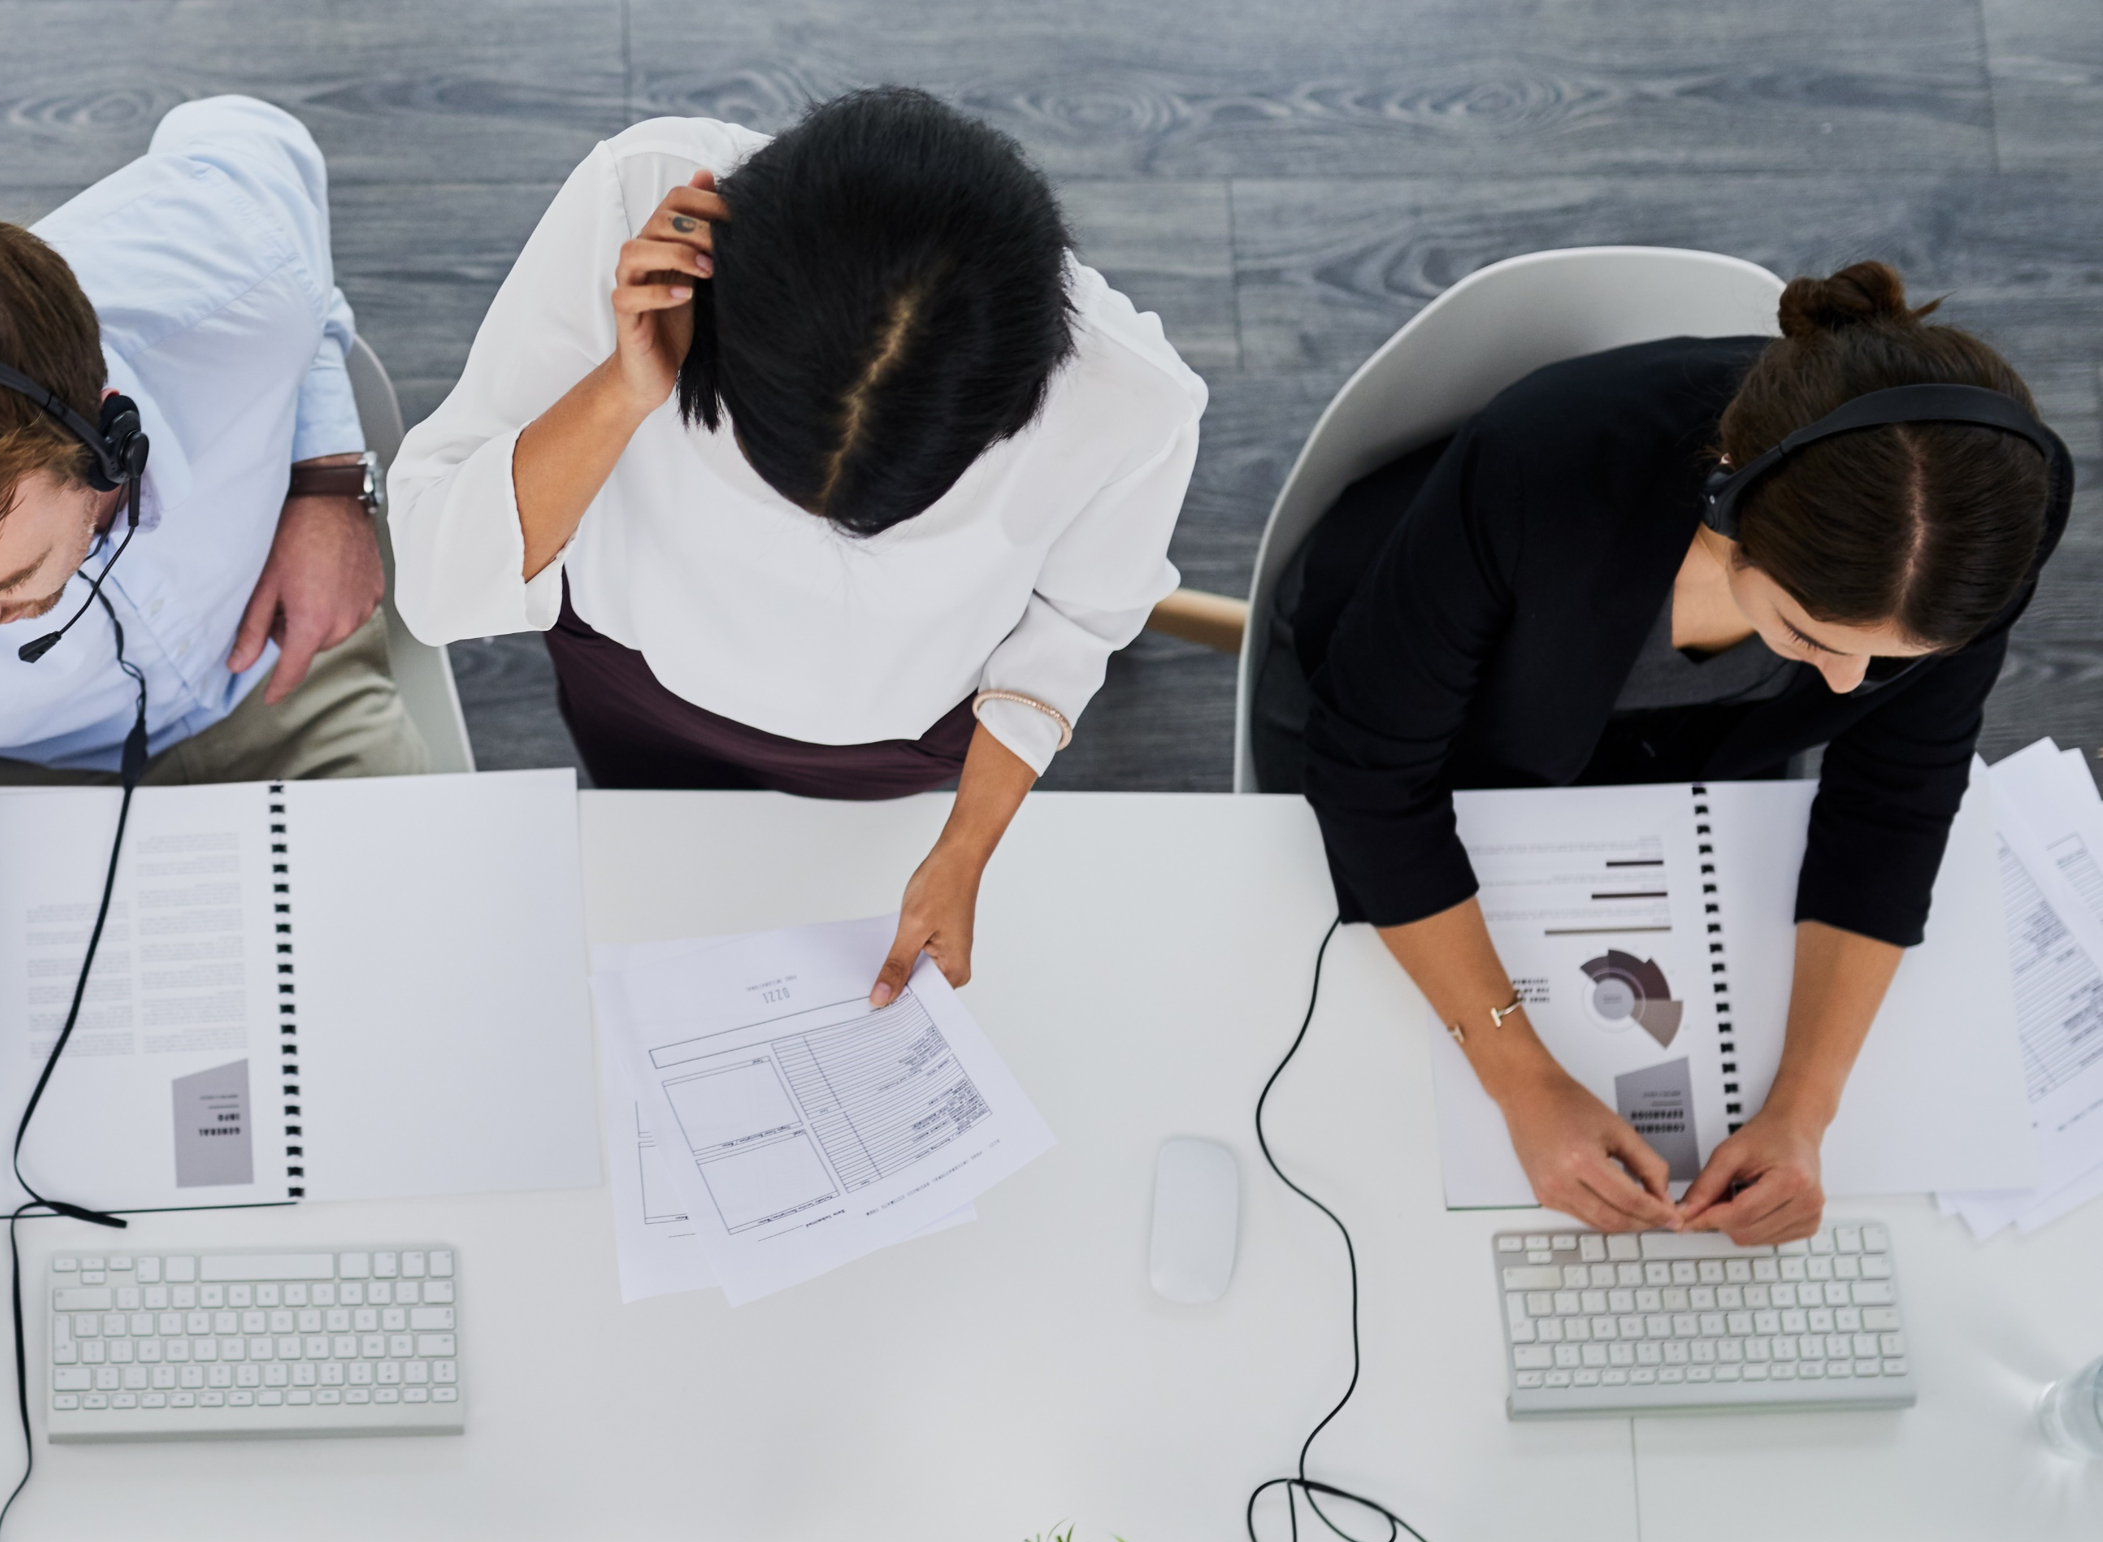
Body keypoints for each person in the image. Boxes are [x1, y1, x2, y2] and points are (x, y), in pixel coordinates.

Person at [0, 97, 428, 1532]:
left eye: (12, 584)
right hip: (13, 784)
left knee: (431, 1058)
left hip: (278, 679)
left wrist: (324, 473)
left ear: (103, 451)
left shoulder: (213, 260)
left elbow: (258, 138)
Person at [1257, 263, 2069, 1242]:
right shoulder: (1544, 469)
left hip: (1676, 764)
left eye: (1891, 659)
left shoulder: (1960, 546)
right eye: (1809, 634)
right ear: (1725, 506)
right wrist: (1522, 1080)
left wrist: (1801, 1109)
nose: (1851, 686)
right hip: (1402, 695)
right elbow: (1369, 776)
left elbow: (1892, 803)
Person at [389, 87, 1204, 1006]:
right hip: (635, 685)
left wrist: (964, 845)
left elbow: (1075, 625)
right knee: (659, 864)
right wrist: (622, 387)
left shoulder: (1132, 401)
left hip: (899, 745)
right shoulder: (635, 202)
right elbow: (437, 587)